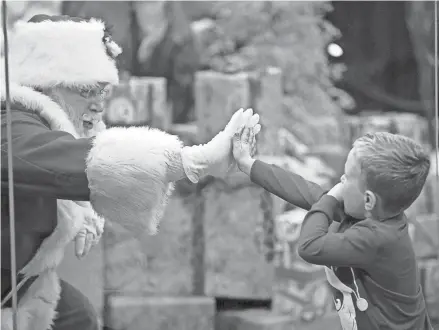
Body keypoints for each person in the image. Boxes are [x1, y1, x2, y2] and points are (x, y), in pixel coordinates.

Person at [0, 14, 261, 330]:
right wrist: (194, 161)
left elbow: (56, 166)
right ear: (48, 85)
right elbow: (65, 160)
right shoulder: (9, 124)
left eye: (102, 91)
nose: (98, 105)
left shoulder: (42, 121)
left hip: (20, 286)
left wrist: (79, 212)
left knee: (76, 317)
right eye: (85, 90)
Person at [232, 126, 433, 330]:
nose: (341, 181)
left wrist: (328, 200)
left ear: (368, 200)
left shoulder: (378, 238)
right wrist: (248, 164)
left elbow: (310, 246)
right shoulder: (370, 213)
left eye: (346, 176)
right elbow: (305, 192)